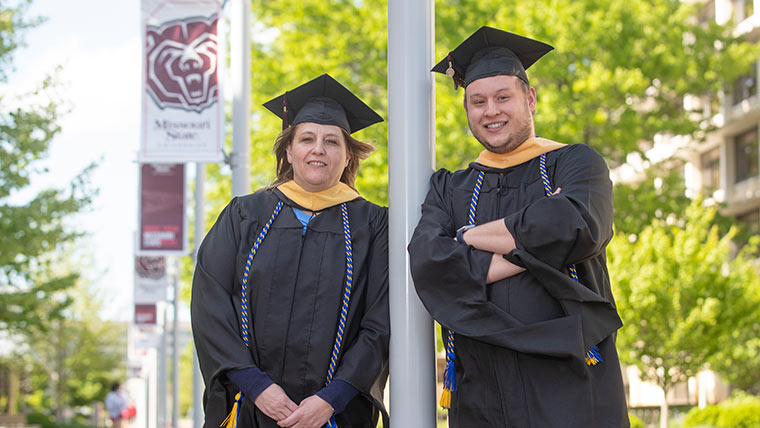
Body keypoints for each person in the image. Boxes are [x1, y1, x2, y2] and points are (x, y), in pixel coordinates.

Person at [408, 26, 630, 427]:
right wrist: (536, 248)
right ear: (467, 110)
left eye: (502, 97)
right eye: (478, 101)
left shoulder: (575, 162)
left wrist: (466, 237)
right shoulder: (449, 187)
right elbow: (430, 264)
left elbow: (575, 226)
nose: (490, 110)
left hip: (570, 383)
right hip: (479, 393)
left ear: (530, 99)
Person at [192, 73, 389, 428]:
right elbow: (210, 304)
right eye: (307, 139)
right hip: (251, 408)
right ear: (289, 150)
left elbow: (381, 320)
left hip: (336, 416)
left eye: (332, 141)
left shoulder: (373, 225)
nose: (318, 149)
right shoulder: (244, 215)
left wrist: (334, 398)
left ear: (347, 157)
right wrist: (256, 386)